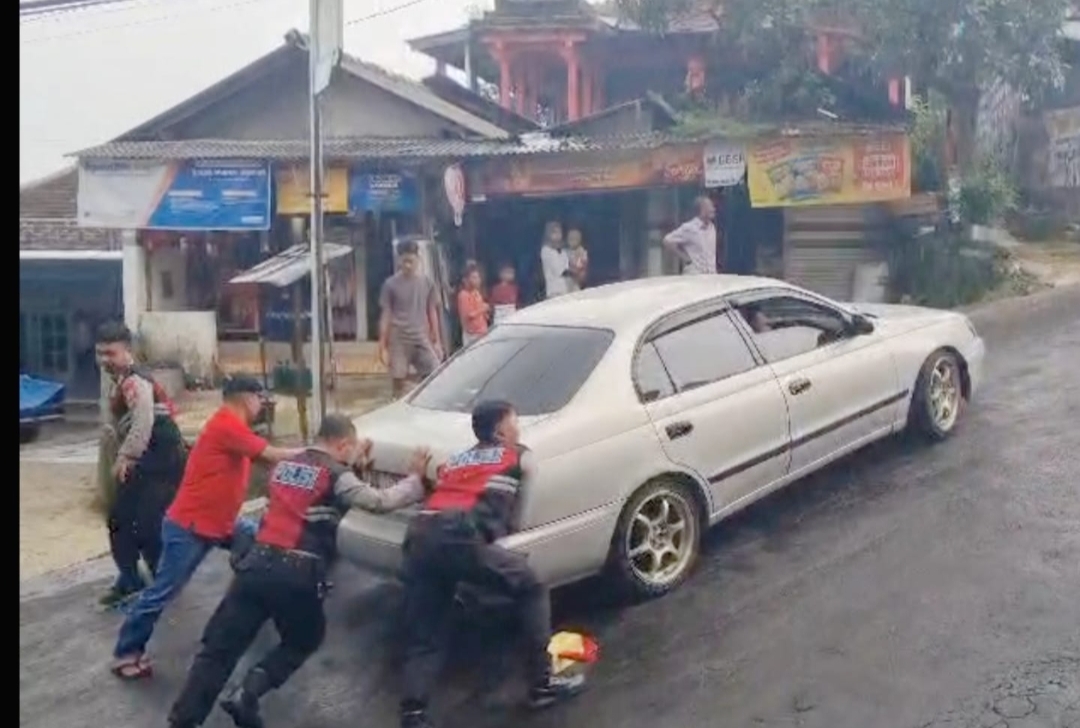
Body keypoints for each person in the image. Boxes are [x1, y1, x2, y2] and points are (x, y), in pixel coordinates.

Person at [167, 414, 432, 728]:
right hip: (296, 572)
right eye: (350, 449)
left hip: (254, 564)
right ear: (343, 444)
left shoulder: (286, 466)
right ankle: (247, 693)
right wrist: (415, 480)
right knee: (303, 639)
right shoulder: (335, 474)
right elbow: (378, 501)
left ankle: (183, 721)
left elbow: (309, 495)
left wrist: (354, 468)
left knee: (218, 650)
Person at [399, 400, 585, 728]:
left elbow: (446, 489)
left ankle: (413, 714)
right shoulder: (519, 454)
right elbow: (520, 509)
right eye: (514, 421)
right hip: (456, 534)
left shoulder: (457, 459)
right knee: (531, 586)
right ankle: (542, 685)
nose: (518, 427)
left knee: (426, 630)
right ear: (500, 429)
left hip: (419, 535)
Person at [110, 375, 304, 681]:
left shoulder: (234, 428)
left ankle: (248, 610)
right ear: (246, 398)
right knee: (163, 591)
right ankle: (126, 652)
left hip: (222, 521)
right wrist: (320, 454)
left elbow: (268, 462)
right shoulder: (227, 424)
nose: (260, 405)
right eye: (258, 398)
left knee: (264, 548)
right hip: (191, 526)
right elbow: (271, 455)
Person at [95, 321, 188, 608]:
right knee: (120, 519)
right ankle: (130, 579)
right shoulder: (119, 381)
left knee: (148, 524)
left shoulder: (136, 381)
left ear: (127, 351)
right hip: (145, 458)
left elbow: (144, 420)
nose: (104, 360)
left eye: (110, 353)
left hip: (161, 458)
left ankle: (162, 582)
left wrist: (127, 457)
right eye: (100, 354)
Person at [379, 240, 444, 399]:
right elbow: (386, 314)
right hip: (398, 336)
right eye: (404, 261)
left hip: (421, 335)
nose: (407, 265)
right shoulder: (390, 284)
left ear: (418, 259)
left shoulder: (427, 282)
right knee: (398, 378)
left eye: (411, 261)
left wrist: (437, 340)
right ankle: (396, 404)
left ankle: (423, 401)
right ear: (399, 261)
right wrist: (382, 344)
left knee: (435, 370)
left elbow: (432, 311)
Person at [663, 196, 718, 275]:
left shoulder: (712, 228)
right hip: (695, 275)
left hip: (711, 276)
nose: (713, 209)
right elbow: (667, 240)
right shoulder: (689, 228)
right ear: (702, 209)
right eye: (710, 207)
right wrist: (685, 258)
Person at [456, 262, 490, 348]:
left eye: (478, 277)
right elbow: (469, 315)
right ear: (465, 280)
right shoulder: (463, 295)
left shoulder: (477, 293)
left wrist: (485, 314)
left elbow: (480, 309)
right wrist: (483, 309)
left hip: (482, 331)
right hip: (472, 335)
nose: (478, 280)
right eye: (474, 277)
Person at [539, 220, 572, 299]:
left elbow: (567, 266)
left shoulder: (563, 250)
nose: (557, 235)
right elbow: (558, 270)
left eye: (559, 232)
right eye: (554, 232)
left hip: (566, 289)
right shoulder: (546, 250)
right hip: (554, 291)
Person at [488, 262, 520, 326]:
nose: (511, 275)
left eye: (512, 273)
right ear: (501, 274)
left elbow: (516, 301)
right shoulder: (495, 289)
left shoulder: (514, 288)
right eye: (508, 272)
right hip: (499, 315)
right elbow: (492, 302)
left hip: (511, 314)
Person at [565, 228, 589, 292]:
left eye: (576, 238)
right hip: (566, 282)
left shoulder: (582, 252)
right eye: (571, 238)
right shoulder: (564, 252)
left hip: (577, 283)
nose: (573, 241)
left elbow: (581, 267)